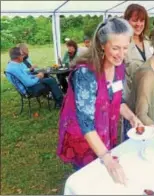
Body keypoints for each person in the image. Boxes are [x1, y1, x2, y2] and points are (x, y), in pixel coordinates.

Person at [57, 17, 142, 185]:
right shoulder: (86, 75)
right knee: (89, 178)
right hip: (83, 136)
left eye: (125, 47)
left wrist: (131, 117)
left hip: (104, 130)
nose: (121, 54)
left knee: (103, 176)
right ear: (102, 45)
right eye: (116, 48)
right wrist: (108, 159)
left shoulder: (119, 66)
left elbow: (117, 100)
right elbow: (86, 123)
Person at [123, 4, 153, 101]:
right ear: (127, 21)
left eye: (142, 20)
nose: (138, 24)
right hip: (129, 99)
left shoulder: (147, 41)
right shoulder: (122, 43)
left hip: (148, 95)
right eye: (135, 20)